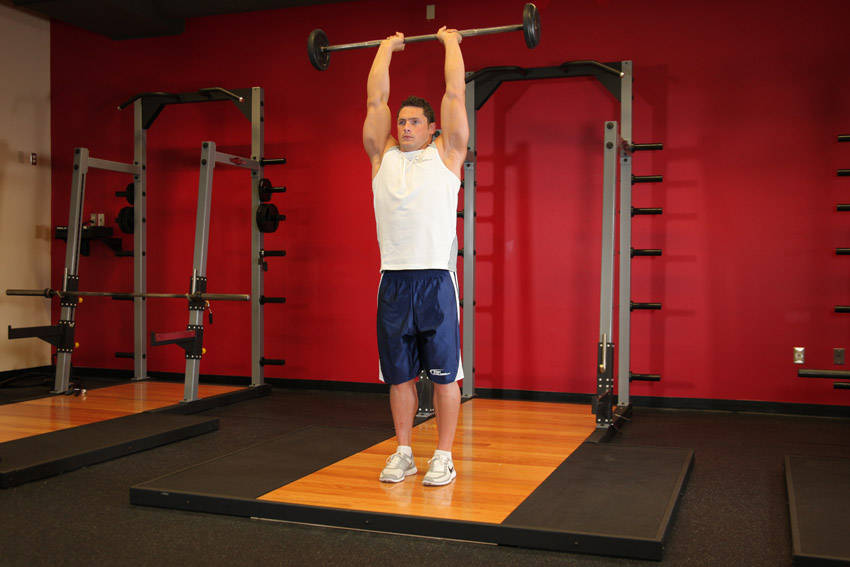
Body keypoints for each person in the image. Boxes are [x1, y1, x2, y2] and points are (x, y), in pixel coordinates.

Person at [362, 26, 469, 486]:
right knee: (399, 376)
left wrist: (451, 44)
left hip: (435, 283)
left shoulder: (447, 155)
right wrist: (386, 48)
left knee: (445, 377)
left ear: (431, 129)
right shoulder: (382, 157)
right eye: (402, 121)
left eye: (414, 122)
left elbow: (454, 93)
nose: (405, 127)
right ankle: (404, 451)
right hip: (393, 281)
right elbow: (375, 101)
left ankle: (443, 456)